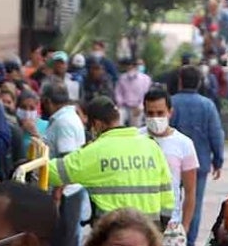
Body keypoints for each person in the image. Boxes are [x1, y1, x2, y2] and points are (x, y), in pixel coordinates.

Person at [47, 96, 174, 224]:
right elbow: (167, 192)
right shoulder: (151, 146)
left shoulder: (94, 151)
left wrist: (37, 153)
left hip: (112, 231)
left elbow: (53, 172)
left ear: (97, 124)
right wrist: (159, 227)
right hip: (148, 229)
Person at [169, 66, 225, 246]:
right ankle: (188, 245)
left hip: (173, 162)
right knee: (194, 203)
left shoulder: (172, 103)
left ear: (180, 81)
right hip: (199, 162)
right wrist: (218, 160)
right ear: (200, 82)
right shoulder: (208, 105)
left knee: (171, 201)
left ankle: (170, 240)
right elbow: (216, 134)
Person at [41, 81, 91, 246]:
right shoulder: (66, 118)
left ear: (47, 101)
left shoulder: (64, 122)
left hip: (65, 194)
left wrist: (57, 195)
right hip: (66, 192)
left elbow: (66, 162)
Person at [143, 85, 199, 235]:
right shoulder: (136, 139)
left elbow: (190, 191)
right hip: (141, 222)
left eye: (160, 113)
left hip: (171, 223)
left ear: (170, 112)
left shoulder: (184, 144)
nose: (155, 118)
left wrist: (185, 226)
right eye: (150, 113)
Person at [115, 57, 151, 127]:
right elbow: (118, 93)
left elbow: (146, 95)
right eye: (128, 66)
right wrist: (120, 104)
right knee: (118, 117)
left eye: (132, 66)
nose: (130, 68)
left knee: (136, 125)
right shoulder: (122, 78)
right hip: (124, 106)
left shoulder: (145, 79)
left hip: (138, 107)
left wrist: (140, 106)